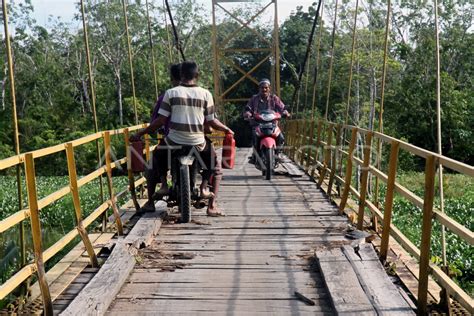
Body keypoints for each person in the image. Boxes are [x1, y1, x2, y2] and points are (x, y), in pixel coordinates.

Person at [131, 61, 233, 216]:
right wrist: (227, 129)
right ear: (197, 75)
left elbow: (160, 121)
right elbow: (212, 122)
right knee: (214, 162)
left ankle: (162, 186)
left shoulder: (170, 93)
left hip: (173, 142)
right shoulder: (206, 94)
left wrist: (140, 133)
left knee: (155, 158)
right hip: (198, 142)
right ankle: (206, 193)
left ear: (181, 75)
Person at [141, 64, 181, 212]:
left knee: (152, 165)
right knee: (213, 164)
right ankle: (209, 196)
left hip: (172, 139)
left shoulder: (166, 96)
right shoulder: (201, 93)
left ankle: (152, 200)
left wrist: (142, 133)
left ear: (172, 79)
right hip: (197, 139)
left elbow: (157, 121)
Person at [243, 79, 289, 161]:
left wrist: (285, 112)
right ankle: (255, 154)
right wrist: (248, 114)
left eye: (266, 88)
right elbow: (248, 109)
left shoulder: (274, 98)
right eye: (262, 88)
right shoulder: (254, 99)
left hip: (272, 124)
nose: (264, 89)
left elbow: (282, 107)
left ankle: (278, 153)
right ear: (259, 89)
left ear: (269, 89)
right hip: (258, 124)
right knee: (254, 136)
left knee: (281, 137)